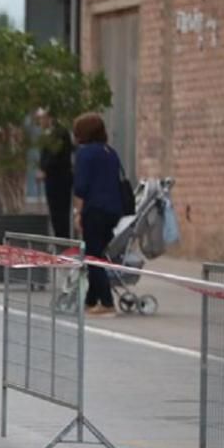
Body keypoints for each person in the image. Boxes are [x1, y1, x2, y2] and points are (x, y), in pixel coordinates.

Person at [71, 112, 124, 317]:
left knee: (92, 256)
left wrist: (78, 213)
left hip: (94, 210)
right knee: (98, 252)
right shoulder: (110, 152)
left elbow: (81, 187)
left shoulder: (85, 154)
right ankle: (91, 300)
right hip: (113, 210)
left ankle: (107, 302)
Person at [36, 107, 75, 239]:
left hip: (59, 180)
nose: (40, 122)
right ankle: (59, 240)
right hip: (52, 180)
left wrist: (45, 169)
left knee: (60, 214)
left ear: (49, 117)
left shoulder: (59, 133)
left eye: (42, 118)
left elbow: (56, 156)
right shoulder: (48, 133)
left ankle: (63, 242)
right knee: (55, 214)